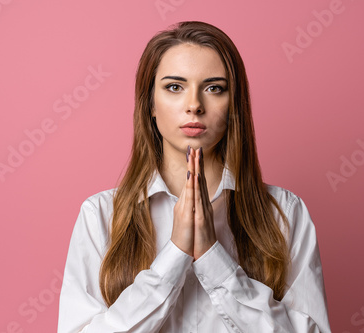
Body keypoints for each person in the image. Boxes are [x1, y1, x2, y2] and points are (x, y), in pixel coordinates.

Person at [57, 21, 331, 333]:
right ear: (150, 104)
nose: (194, 106)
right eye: (175, 87)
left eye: (214, 88)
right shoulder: (100, 215)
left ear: (233, 106)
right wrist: (174, 254)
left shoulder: (284, 211)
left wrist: (214, 258)